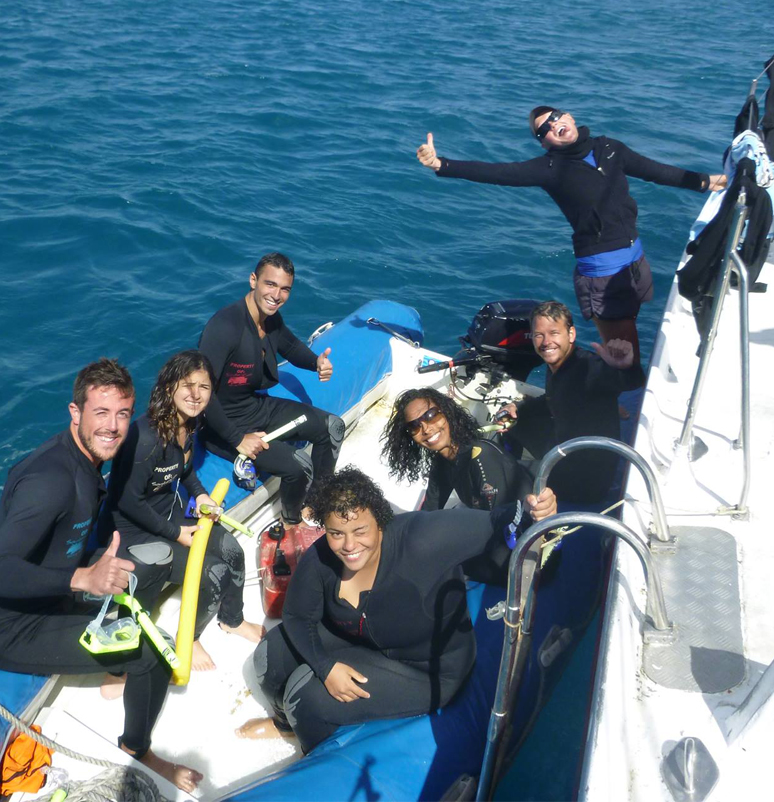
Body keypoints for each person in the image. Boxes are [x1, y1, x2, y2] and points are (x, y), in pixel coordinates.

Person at [0, 359, 202, 793]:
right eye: (100, 413)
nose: (112, 426)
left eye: (123, 414)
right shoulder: (50, 481)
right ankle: (138, 749)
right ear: (76, 413)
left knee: (142, 569)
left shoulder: (83, 459)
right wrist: (83, 580)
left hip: (47, 592)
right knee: (152, 654)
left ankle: (113, 672)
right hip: (8, 629)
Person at [236, 466, 545, 750]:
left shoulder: (422, 538)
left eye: (361, 531)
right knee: (270, 655)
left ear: (380, 520)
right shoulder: (321, 558)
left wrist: (537, 514)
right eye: (336, 533)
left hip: (427, 669)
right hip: (368, 640)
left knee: (305, 696)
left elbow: (500, 521)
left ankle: (319, 758)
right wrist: (326, 666)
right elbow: (297, 616)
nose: (348, 546)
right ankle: (286, 725)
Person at [416, 110, 725, 361]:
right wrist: (440, 164)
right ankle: (624, 413)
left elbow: (655, 171)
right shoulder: (549, 168)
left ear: (570, 117)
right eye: (544, 129)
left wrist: (705, 182)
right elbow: (497, 172)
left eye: (556, 117)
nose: (554, 125)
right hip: (602, 273)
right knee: (624, 355)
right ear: (545, 143)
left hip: (635, 261)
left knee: (632, 335)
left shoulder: (610, 149)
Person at [105, 349, 264, 680]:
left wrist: (201, 494)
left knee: (232, 552)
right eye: (187, 385)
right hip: (135, 529)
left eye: (204, 387)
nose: (195, 394)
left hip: (170, 515)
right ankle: (185, 640)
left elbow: (185, 468)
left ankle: (231, 620)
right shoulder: (146, 439)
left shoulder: (189, 424)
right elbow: (127, 501)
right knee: (214, 572)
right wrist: (176, 534)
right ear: (168, 388)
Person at [198, 252, 345, 523]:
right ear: (253, 280)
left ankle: (319, 505)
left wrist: (316, 363)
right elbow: (201, 393)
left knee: (332, 427)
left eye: (285, 289)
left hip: (255, 407)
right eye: (270, 284)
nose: (276, 295)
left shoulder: (271, 319)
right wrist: (237, 439)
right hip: (223, 428)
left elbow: (289, 346)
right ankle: (292, 523)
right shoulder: (225, 327)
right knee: (299, 466)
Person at [381, 386, 558, 582]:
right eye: (414, 426)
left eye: (431, 415)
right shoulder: (443, 459)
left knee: (440, 561)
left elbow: (500, 525)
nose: (426, 429)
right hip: (501, 536)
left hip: (530, 559)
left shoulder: (479, 456)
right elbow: (429, 510)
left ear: (446, 412)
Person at [496, 301, 644, 504]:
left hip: (584, 481)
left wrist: (626, 367)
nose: (546, 341)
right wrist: (517, 408)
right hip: (567, 449)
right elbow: (553, 397)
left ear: (571, 334)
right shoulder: (558, 365)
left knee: (506, 475)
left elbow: (628, 381)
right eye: (539, 335)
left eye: (554, 333)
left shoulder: (588, 367)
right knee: (512, 421)